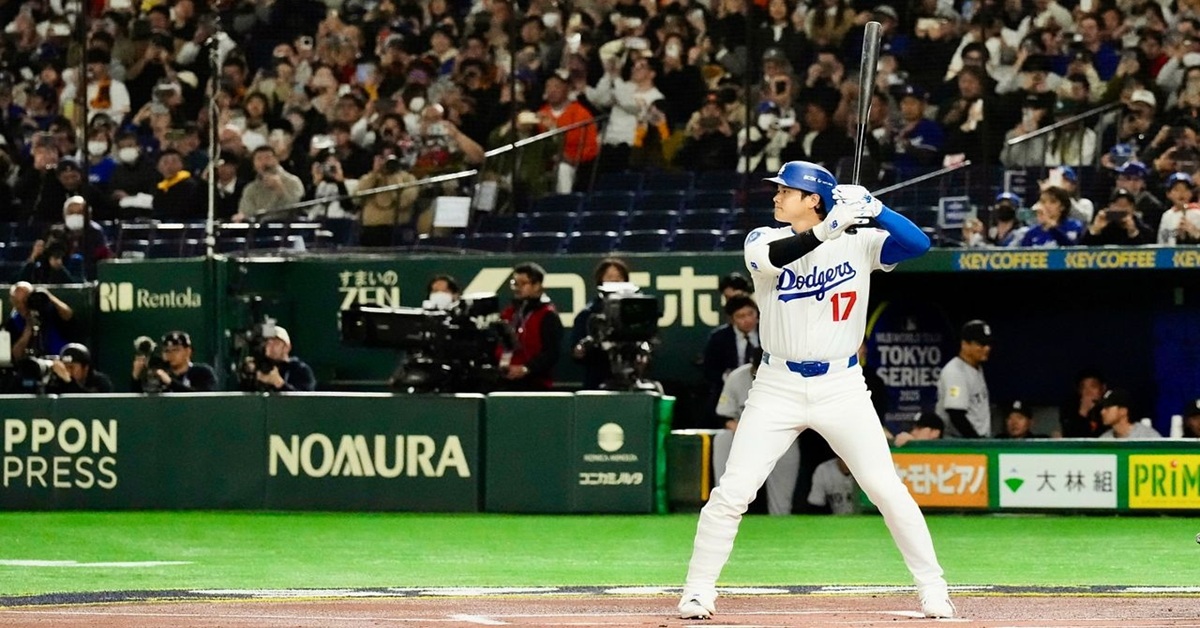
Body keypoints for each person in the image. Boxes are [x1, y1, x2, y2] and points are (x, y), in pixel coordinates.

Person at [678, 161, 953, 620]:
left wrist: (876, 209)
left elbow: (918, 244)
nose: (776, 195)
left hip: (842, 385)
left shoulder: (858, 241)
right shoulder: (763, 238)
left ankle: (933, 588)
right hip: (777, 385)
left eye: (786, 190)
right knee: (733, 492)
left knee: (886, 489)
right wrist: (827, 228)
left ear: (812, 198)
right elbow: (775, 258)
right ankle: (697, 591)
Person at [711, 348, 799, 516]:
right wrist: (746, 433)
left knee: (782, 504)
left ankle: (780, 516)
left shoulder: (790, 377)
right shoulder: (737, 377)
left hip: (781, 435)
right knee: (723, 439)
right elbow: (724, 416)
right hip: (745, 436)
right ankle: (723, 509)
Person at [497, 262, 564, 391]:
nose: (517, 288)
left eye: (523, 283)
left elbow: (551, 353)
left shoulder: (548, 315)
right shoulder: (509, 313)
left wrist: (526, 368)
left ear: (537, 285)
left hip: (536, 385)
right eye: (514, 283)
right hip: (505, 382)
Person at [571, 258, 631, 390]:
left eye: (619, 277)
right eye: (609, 277)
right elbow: (577, 351)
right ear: (600, 280)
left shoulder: (633, 311)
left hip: (629, 380)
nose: (614, 281)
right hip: (597, 380)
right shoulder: (587, 314)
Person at [700, 293, 759, 426]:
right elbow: (710, 369)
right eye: (741, 316)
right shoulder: (719, 338)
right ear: (732, 319)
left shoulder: (767, 333)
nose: (747, 320)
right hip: (730, 388)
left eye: (751, 314)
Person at [936, 320, 993, 438]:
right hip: (959, 442)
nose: (987, 348)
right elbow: (956, 415)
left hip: (976, 439)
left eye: (988, 344)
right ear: (964, 344)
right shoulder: (955, 372)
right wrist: (976, 442)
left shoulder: (976, 367)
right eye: (981, 344)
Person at [236, 146, 305, 223]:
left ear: (276, 160)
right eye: (259, 159)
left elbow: (296, 208)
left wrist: (280, 189)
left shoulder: (293, 182)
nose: (264, 162)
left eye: (268, 158)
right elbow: (247, 212)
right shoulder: (250, 189)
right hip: (258, 228)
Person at [132, 331, 217, 393]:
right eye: (166, 351)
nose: (171, 354)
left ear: (188, 351)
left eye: (175, 350)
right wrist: (136, 377)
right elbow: (139, 403)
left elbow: (203, 399)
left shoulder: (201, 372)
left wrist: (170, 382)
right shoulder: (159, 375)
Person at [5, 282, 74, 358]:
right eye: (18, 302)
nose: (23, 306)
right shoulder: (13, 322)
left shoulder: (49, 310)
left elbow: (68, 315)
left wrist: (48, 296)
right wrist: (28, 328)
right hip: (32, 362)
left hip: (61, 357)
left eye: (25, 301)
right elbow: (16, 355)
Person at [1081, 187, 1154, 246]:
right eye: (1117, 205)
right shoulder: (1104, 229)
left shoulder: (1144, 230)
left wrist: (1133, 232)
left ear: (1133, 208)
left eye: (1125, 205)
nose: (1121, 209)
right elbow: (1083, 251)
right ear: (1110, 207)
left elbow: (1149, 253)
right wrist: (1095, 230)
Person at [252, 326, 316, 392]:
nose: (270, 346)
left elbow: (307, 396)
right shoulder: (257, 367)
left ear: (287, 347)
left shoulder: (299, 370)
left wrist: (279, 383)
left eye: (276, 343)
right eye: (268, 343)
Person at [44, 343, 113, 394]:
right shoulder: (58, 382)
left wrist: (69, 382)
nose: (66, 371)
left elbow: (89, 403)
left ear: (85, 368)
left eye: (71, 367)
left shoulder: (100, 382)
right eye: (64, 367)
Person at [1059, 369, 1106, 438]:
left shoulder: (1110, 408)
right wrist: (1083, 412)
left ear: (1103, 388)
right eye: (1083, 387)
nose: (1088, 392)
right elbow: (1070, 436)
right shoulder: (1069, 408)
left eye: (1093, 386)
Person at [1096, 389, 1162, 439]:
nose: (1102, 412)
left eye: (1107, 408)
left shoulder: (1147, 437)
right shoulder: (1104, 440)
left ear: (1123, 411)